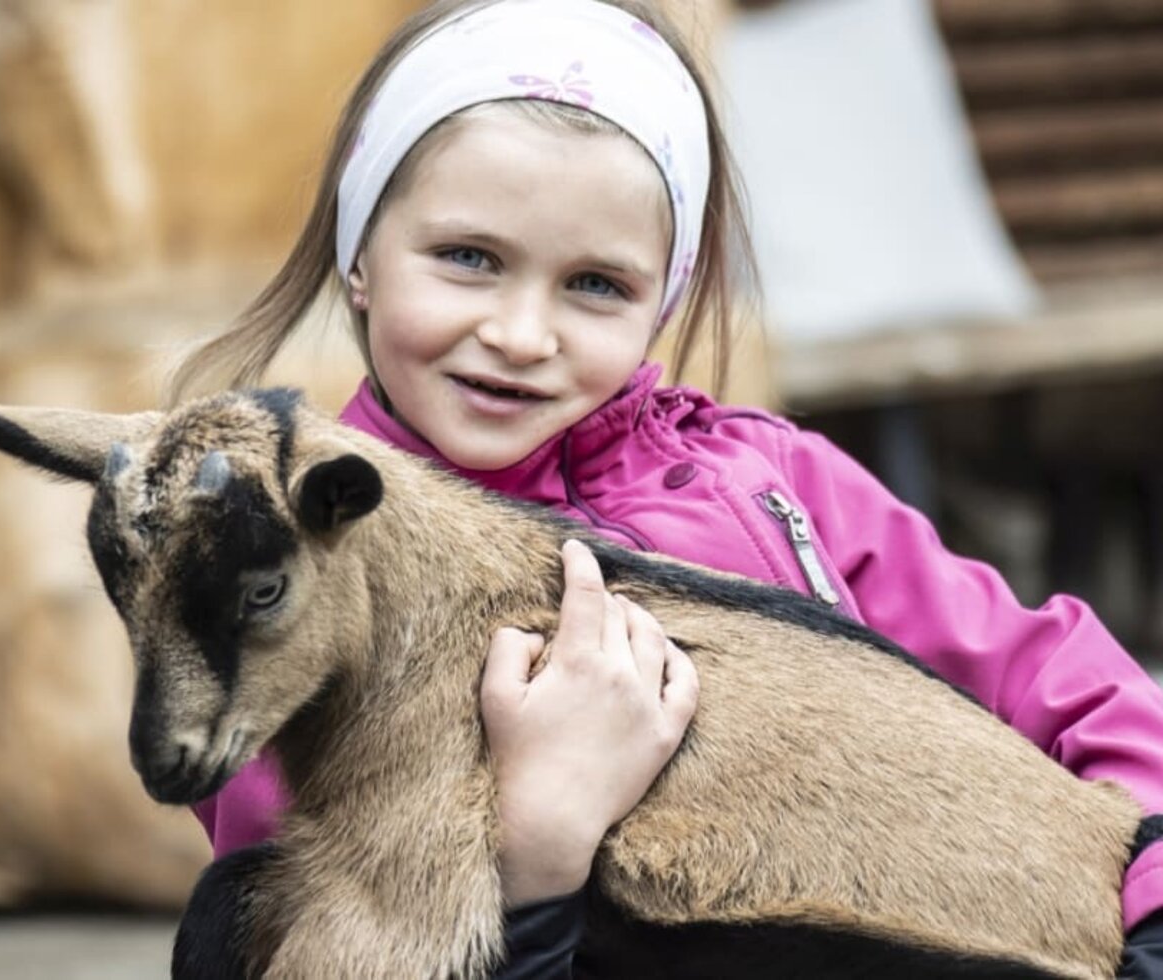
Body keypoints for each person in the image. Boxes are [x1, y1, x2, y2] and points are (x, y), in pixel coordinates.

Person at [172, 0, 1163, 975]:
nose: (523, 334)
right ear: (361, 255)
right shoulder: (295, 566)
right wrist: (539, 845)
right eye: (468, 259)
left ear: (663, 300)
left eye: (596, 284)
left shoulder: (772, 478)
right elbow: (332, 921)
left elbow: (1055, 671)